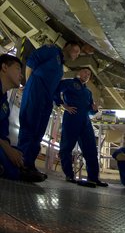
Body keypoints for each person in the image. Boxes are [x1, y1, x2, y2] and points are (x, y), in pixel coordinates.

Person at [18, 41, 81, 178]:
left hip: (47, 99)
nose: (77, 55)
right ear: (68, 46)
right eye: (76, 50)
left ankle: (28, 164)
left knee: (39, 131)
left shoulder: (60, 67)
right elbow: (32, 61)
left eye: (79, 54)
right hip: (36, 90)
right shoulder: (52, 50)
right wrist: (29, 84)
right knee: (29, 128)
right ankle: (20, 165)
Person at [55, 67, 108, 187]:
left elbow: (89, 110)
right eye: (85, 72)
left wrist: (94, 110)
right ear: (78, 73)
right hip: (71, 118)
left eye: (89, 74)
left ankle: (93, 178)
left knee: (91, 150)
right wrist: (63, 105)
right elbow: (56, 89)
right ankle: (69, 175)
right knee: (66, 147)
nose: (87, 75)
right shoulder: (69, 83)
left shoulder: (88, 92)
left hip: (85, 121)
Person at [0, 54, 44, 182]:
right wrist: (7, 149)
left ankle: (11, 169)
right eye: (18, 69)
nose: (22, 75)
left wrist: (10, 150)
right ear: (4, 67)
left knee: (18, 153)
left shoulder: (4, 105)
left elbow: (3, 133)